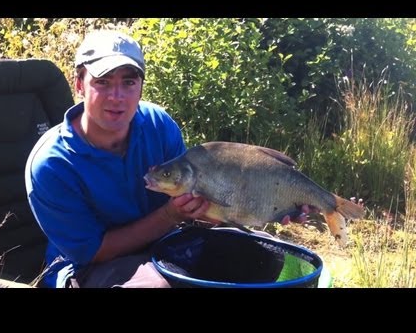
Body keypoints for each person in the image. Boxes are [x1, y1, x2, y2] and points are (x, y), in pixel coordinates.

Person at [25, 29, 309, 288]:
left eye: (128, 81)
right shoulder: (52, 163)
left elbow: (195, 207)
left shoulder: (157, 125)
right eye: (102, 82)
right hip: (89, 267)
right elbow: (94, 251)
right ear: (79, 84)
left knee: (267, 255)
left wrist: (265, 205)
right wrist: (170, 216)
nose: (117, 96)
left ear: (141, 85)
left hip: (167, 243)